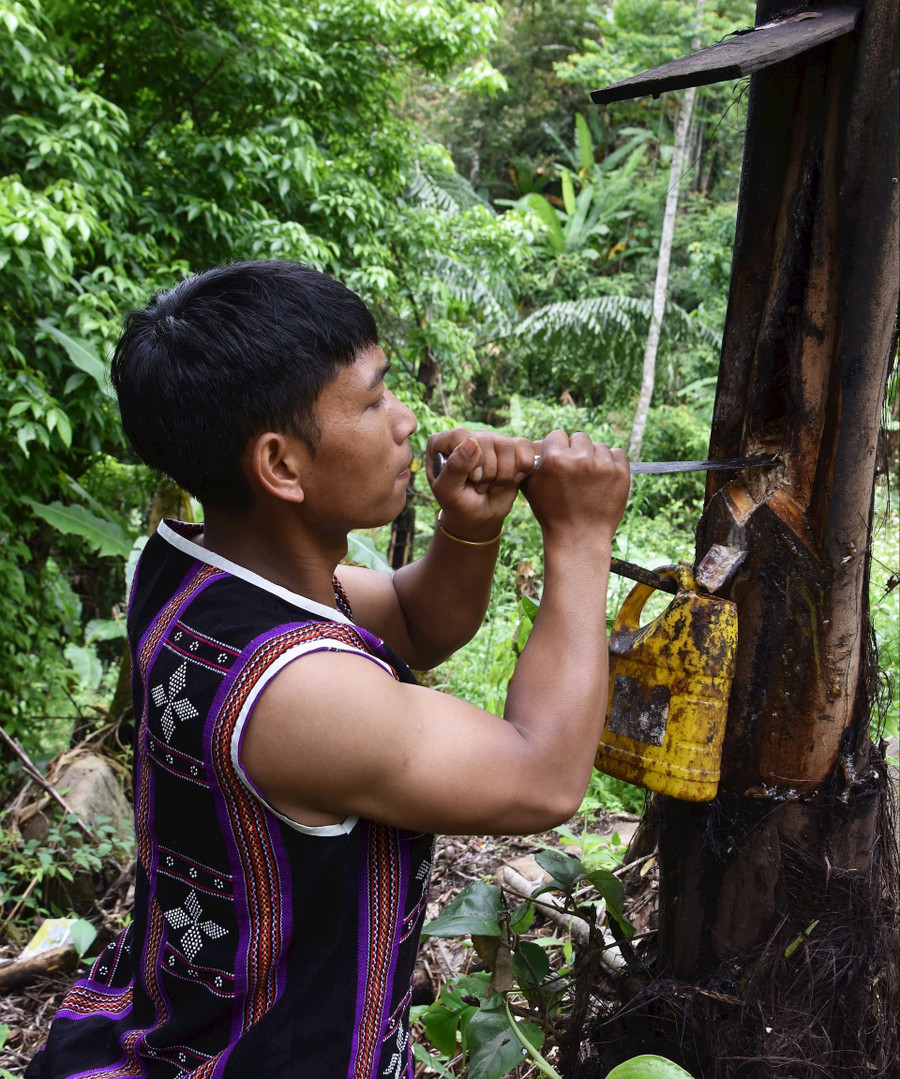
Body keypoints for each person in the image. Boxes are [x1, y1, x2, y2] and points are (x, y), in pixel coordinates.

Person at [27, 260, 631, 1079]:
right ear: (280, 466)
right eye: (375, 399)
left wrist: (470, 530)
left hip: (182, 1021)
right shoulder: (299, 691)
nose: (407, 419)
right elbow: (545, 775)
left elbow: (417, 621)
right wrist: (584, 537)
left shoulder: (196, 572)